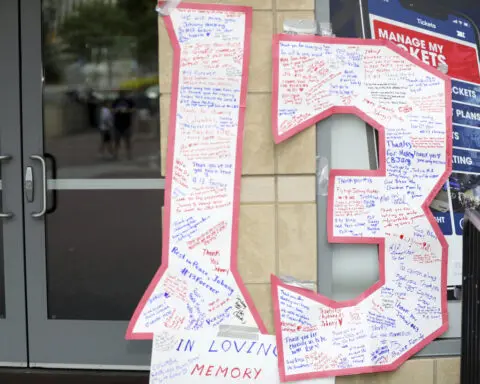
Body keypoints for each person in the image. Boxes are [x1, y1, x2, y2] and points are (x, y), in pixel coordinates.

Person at [112, 90, 135, 159]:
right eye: (120, 94)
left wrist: (127, 110)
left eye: (123, 94)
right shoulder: (116, 101)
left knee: (127, 141)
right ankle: (115, 155)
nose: (122, 95)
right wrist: (117, 110)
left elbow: (134, 109)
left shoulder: (129, 101)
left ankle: (129, 155)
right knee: (117, 141)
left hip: (126, 124)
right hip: (117, 124)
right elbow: (112, 110)